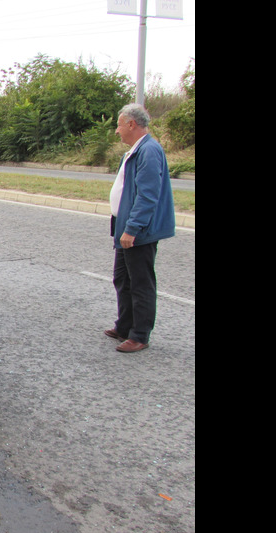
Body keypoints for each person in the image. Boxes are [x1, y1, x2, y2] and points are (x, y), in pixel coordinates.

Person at [106, 103, 176, 353]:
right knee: (122, 279)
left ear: (131, 124)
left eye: (119, 124)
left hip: (138, 231)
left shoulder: (149, 151)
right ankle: (125, 326)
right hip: (124, 225)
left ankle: (140, 335)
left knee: (140, 283)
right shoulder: (137, 149)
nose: (117, 130)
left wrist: (133, 228)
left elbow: (147, 196)